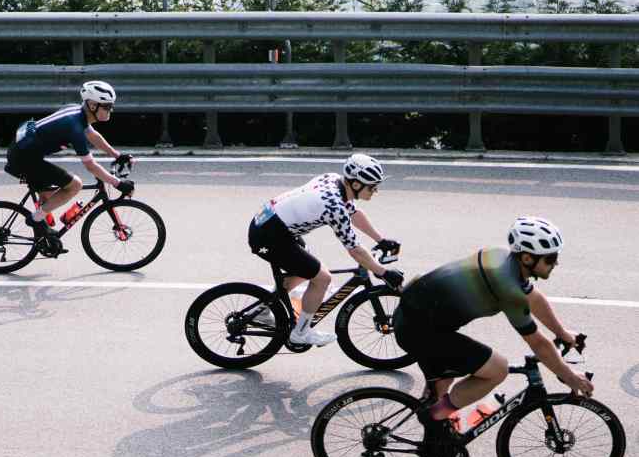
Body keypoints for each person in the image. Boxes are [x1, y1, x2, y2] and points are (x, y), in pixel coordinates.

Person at [393, 216, 593, 439]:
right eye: (550, 258)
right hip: (420, 330)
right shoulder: (507, 289)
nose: (556, 263)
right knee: (497, 369)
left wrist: (562, 333)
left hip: (415, 316)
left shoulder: (502, 258)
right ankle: (434, 417)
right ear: (527, 257)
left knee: (443, 382)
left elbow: (534, 299)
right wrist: (569, 375)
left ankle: (435, 423)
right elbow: (537, 342)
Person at [248, 153, 403, 346]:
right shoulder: (334, 207)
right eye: (372, 187)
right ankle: (301, 333)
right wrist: (384, 272)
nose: (375, 191)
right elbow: (355, 250)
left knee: (308, 268)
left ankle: (262, 310)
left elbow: (353, 213)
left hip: (272, 224)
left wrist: (381, 239)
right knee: (322, 278)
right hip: (269, 236)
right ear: (356, 184)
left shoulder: (334, 180)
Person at [4, 80, 135, 250]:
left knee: (51, 196)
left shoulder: (78, 113)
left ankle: (44, 237)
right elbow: (91, 166)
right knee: (75, 185)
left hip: (23, 151)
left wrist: (117, 155)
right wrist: (117, 183)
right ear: (93, 105)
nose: (111, 110)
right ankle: (36, 220)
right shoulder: (74, 127)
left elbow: (93, 135)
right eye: (107, 106)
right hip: (24, 158)